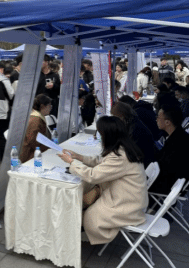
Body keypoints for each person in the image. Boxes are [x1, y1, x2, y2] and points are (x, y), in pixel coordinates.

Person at [58, 116, 148, 245]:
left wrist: (71, 162)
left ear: (108, 135)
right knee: (85, 201)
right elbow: (102, 162)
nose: (96, 136)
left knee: (90, 216)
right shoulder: (123, 148)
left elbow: (93, 175)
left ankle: (77, 235)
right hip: (128, 197)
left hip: (128, 205)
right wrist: (79, 157)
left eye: (99, 133)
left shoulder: (120, 156)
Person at [150, 105, 190, 195]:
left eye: (158, 117)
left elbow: (165, 169)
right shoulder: (179, 136)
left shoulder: (178, 142)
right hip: (172, 185)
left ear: (167, 122)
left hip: (168, 188)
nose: (156, 119)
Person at [111, 101, 155, 168]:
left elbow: (131, 151)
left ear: (121, 116)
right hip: (144, 160)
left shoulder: (135, 128)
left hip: (144, 163)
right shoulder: (133, 121)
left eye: (116, 118)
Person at [19, 94, 53, 163]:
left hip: (33, 151)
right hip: (30, 156)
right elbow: (34, 142)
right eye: (49, 105)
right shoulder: (36, 120)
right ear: (42, 106)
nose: (51, 108)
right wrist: (48, 148)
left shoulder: (36, 116)